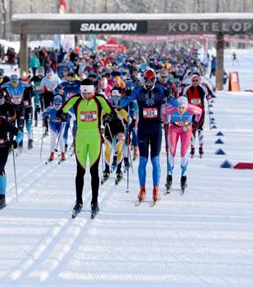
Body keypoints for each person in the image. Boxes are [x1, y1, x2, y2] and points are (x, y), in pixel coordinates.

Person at [57, 79, 115, 216]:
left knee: (94, 171)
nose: (87, 96)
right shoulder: (76, 99)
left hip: (94, 137)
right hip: (81, 137)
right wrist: (63, 115)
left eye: (89, 94)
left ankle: (94, 202)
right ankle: (79, 201)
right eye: (85, 94)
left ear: (93, 91)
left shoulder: (100, 99)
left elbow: (111, 112)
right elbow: (60, 111)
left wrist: (107, 117)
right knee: (80, 171)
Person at [120, 69, 177, 203]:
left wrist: (170, 94)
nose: (149, 83)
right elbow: (123, 104)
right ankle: (142, 189)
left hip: (156, 128)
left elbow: (174, 104)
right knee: (143, 161)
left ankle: (156, 189)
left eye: (151, 81)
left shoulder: (161, 90)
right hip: (143, 128)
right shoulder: (138, 90)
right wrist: (126, 94)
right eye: (147, 81)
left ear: (155, 80)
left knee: (155, 161)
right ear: (144, 80)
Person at [162, 96, 202, 193]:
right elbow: (163, 112)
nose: (180, 110)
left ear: (186, 106)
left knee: (184, 152)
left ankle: (183, 177)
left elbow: (200, 111)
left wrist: (196, 122)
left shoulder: (190, 108)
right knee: (172, 151)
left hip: (186, 129)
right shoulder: (172, 108)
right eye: (179, 107)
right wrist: (165, 122)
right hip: (174, 129)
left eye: (182, 108)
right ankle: (169, 176)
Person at [181, 73, 214, 158]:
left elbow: (210, 95)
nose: (195, 82)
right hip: (190, 111)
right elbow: (181, 97)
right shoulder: (186, 88)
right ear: (191, 81)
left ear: (199, 80)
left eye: (197, 80)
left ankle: (201, 147)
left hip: (200, 111)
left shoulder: (203, 87)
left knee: (199, 128)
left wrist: (208, 97)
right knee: (191, 129)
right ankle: (192, 148)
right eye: (193, 81)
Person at [2, 74, 32, 149]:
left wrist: (27, 99)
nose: (14, 84)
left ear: (18, 81)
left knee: (20, 126)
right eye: (12, 83)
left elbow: (30, 87)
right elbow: (1, 88)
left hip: (21, 108)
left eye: (16, 82)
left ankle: (20, 144)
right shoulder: (7, 85)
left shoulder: (22, 84)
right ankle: (11, 145)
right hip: (11, 108)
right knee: (11, 127)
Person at [42, 95, 65, 162]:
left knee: (60, 138)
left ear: (61, 103)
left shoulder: (64, 109)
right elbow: (43, 114)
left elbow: (70, 115)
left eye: (58, 104)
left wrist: (65, 117)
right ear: (53, 103)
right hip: (52, 124)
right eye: (56, 104)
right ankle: (52, 154)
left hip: (61, 124)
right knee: (54, 137)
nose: (57, 106)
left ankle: (63, 153)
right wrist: (44, 115)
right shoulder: (50, 109)